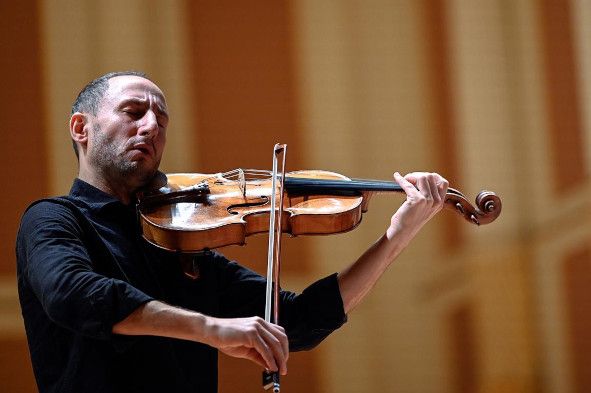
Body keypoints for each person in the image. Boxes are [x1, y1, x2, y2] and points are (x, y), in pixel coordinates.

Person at [16, 71, 448, 393]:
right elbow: (74, 294)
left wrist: (396, 236)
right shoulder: (54, 220)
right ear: (81, 128)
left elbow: (297, 321)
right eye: (133, 112)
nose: (151, 126)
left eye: (161, 120)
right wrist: (212, 328)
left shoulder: (180, 243)